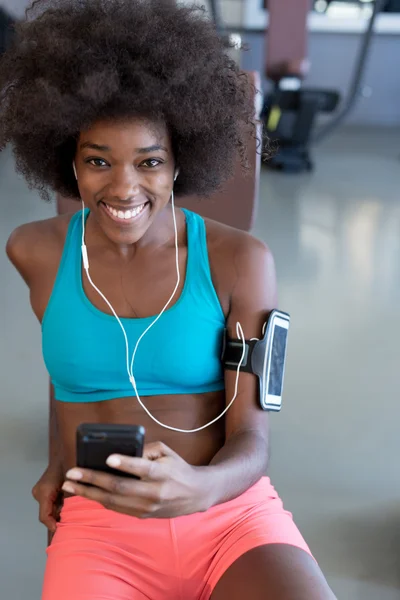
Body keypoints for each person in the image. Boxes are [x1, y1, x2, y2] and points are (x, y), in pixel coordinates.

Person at [3, 1, 335, 598]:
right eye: (97, 161)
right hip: (100, 526)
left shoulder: (242, 261)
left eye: (149, 162)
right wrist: (57, 462)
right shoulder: (35, 252)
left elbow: (252, 440)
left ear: (181, 159)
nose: (124, 187)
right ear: (68, 163)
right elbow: (68, 371)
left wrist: (201, 490)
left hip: (231, 515)